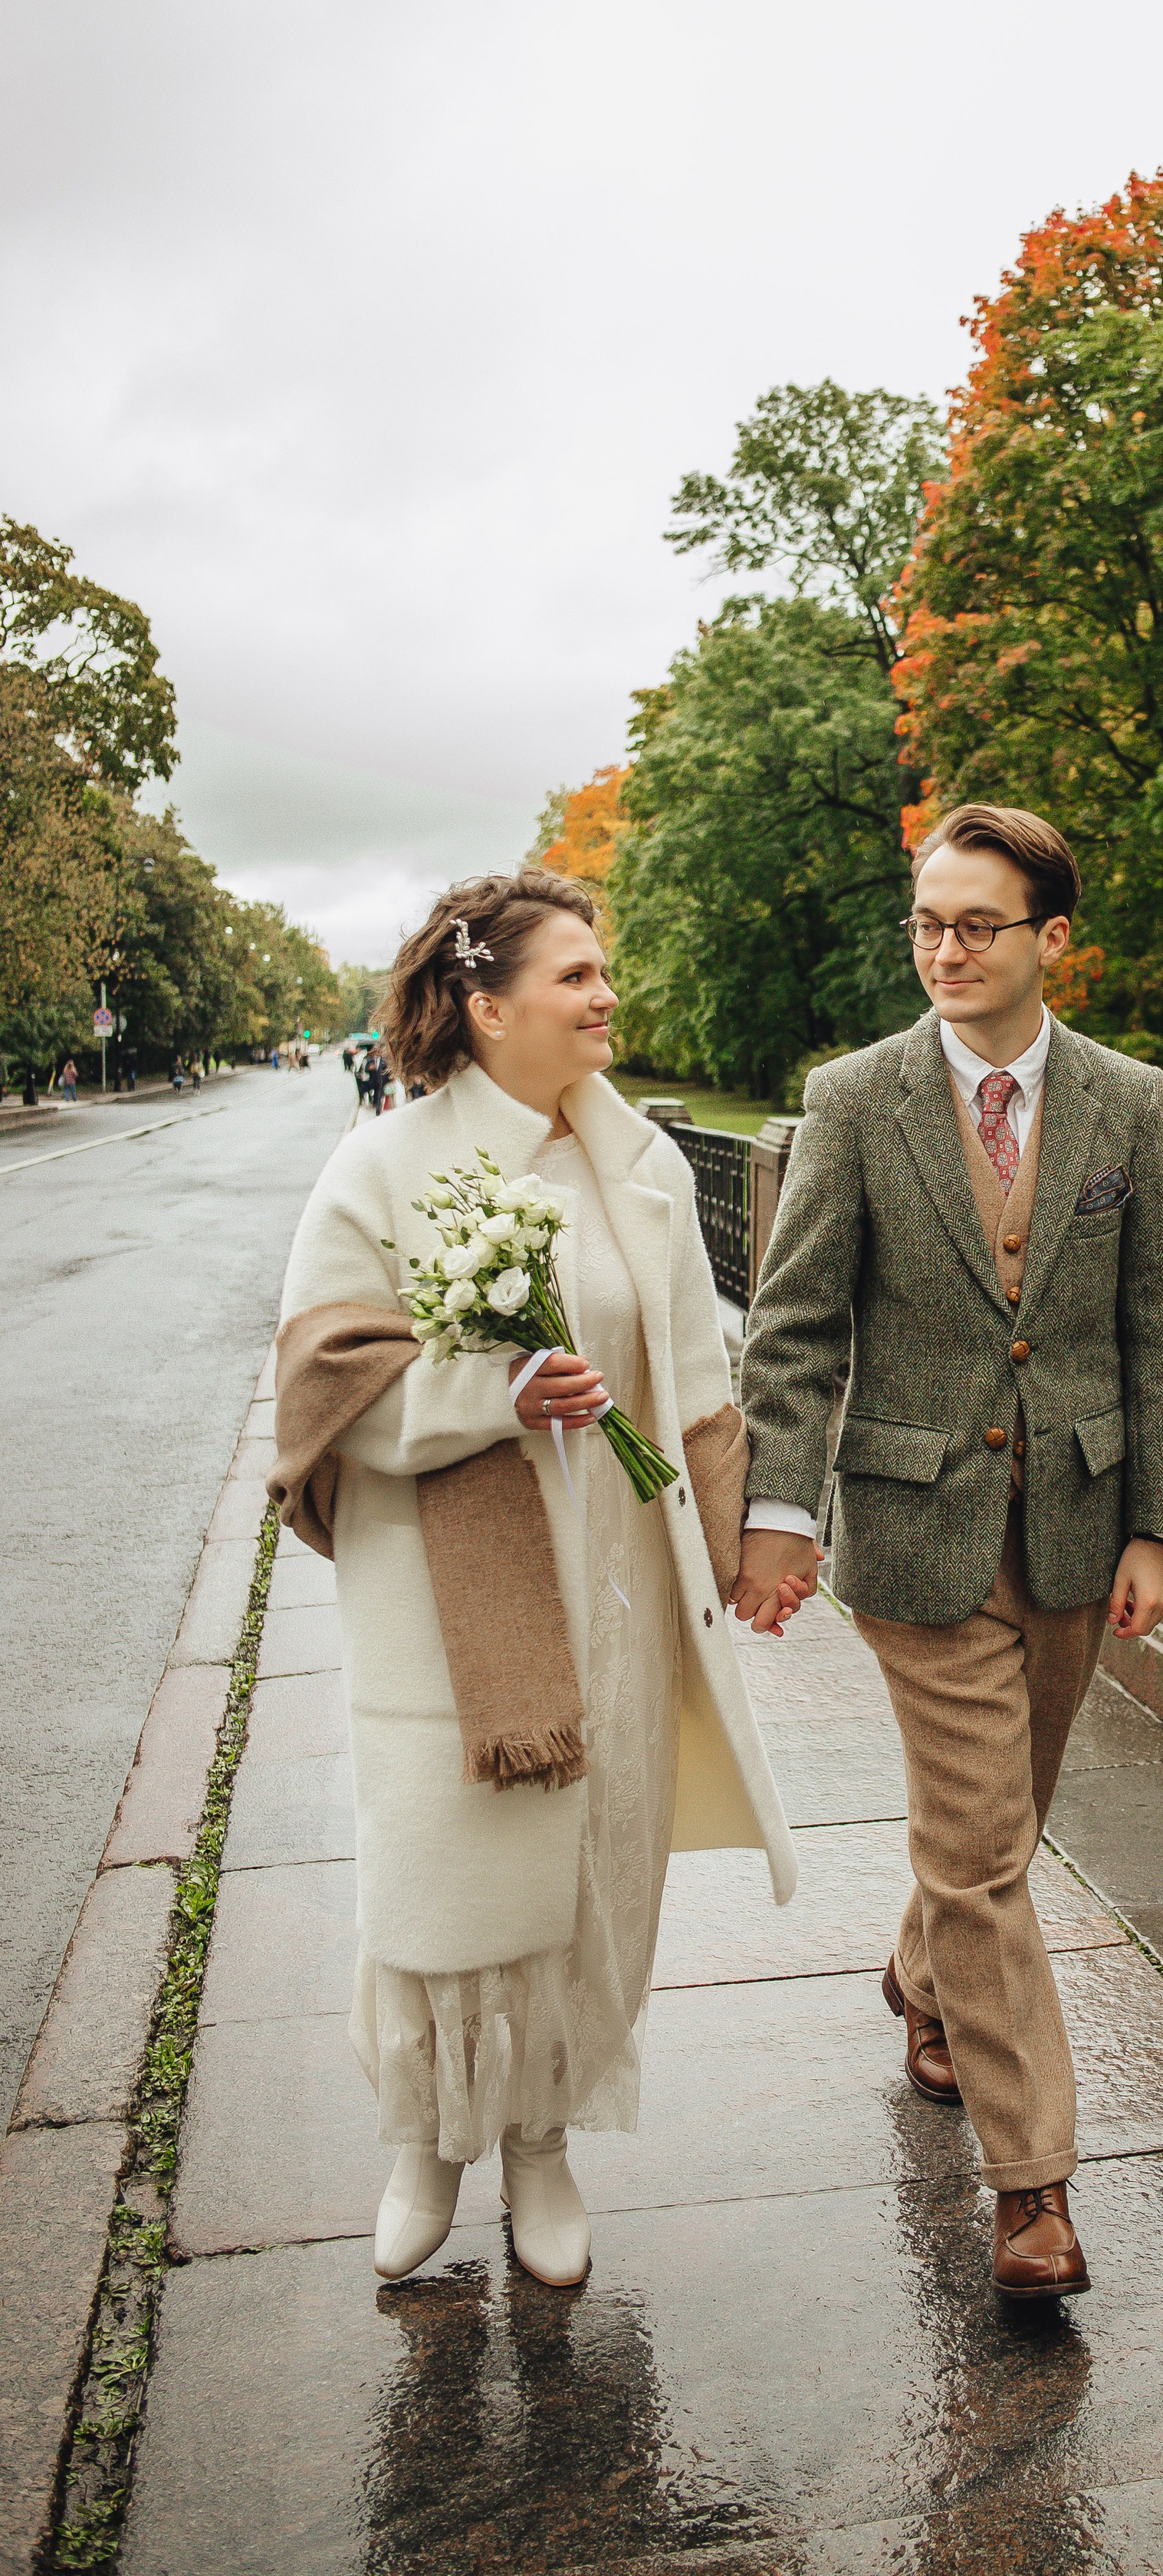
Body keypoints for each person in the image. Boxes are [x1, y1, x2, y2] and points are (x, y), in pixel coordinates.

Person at [271, 869, 798, 2288]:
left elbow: (695, 1374)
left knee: (595, 1867)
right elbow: (320, 1389)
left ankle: (543, 2140)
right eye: (575, 975)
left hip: (617, 1582)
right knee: (449, 1874)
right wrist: (488, 1395)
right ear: (487, 1004)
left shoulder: (643, 1169)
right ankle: (427, 2141)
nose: (604, 994)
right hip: (445, 1609)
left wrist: (746, 1537)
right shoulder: (380, 1170)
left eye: (604, 970)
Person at [736, 803, 1163, 2299]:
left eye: (975, 924)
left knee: (991, 1833)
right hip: (915, 1535)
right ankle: (1032, 2193)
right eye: (925, 923)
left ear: (1049, 940)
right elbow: (796, 1330)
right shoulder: (852, 1101)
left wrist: (1160, 1530)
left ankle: (921, 1975)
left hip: (1072, 1525)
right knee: (991, 1856)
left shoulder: (1125, 1102)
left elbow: (1155, 1333)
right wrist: (777, 1516)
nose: (943, 948)